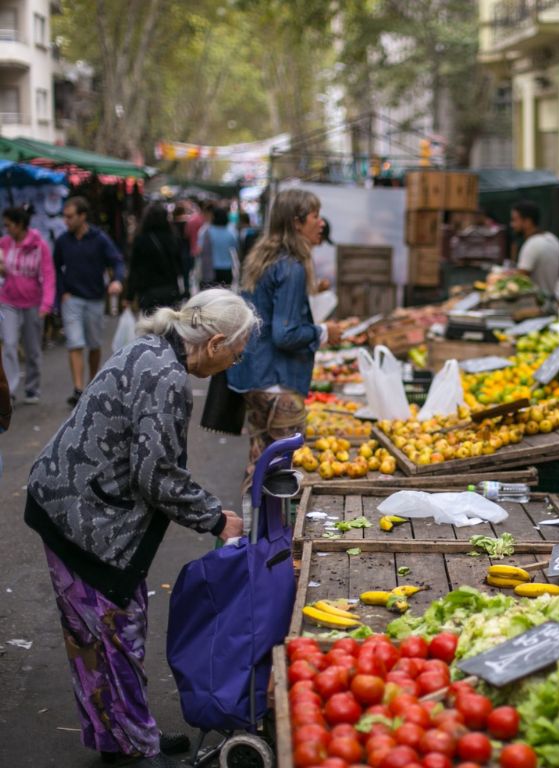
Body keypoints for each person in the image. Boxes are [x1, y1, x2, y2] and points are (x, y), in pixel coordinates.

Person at [24, 289, 253, 768]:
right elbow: (157, 475)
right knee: (111, 632)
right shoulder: (166, 376)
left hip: (81, 502)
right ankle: (131, 746)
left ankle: (128, 734)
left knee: (105, 632)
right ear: (213, 343)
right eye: (236, 350)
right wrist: (215, 517)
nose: (236, 360)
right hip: (80, 515)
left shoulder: (153, 347)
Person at [228, 189, 344, 491]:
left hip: (254, 374)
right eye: (315, 216)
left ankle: (250, 531)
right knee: (275, 472)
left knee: (259, 460)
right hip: (275, 380)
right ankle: (264, 533)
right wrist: (323, 333)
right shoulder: (291, 266)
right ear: (296, 223)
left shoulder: (267, 257)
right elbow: (285, 333)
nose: (321, 223)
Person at [54, 196, 126, 406]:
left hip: (94, 298)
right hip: (72, 299)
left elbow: (116, 260)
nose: (66, 221)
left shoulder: (99, 238)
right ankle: (78, 389)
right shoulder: (62, 241)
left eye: (70, 217)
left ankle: (92, 383)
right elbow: (55, 267)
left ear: (82, 216)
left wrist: (117, 281)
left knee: (94, 344)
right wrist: (62, 292)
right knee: (75, 342)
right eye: (64, 217)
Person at [0, 204, 55, 404]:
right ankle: (9, 390)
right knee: (9, 344)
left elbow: (48, 275)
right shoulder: (5, 244)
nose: (6, 229)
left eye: (8, 225)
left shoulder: (39, 245)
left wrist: (46, 305)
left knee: (32, 349)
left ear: (19, 224)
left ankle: (32, 388)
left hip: (33, 303)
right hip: (8, 302)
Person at [124, 203, 187, 314]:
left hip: (147, 292)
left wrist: (129, 296)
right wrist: (184, 290)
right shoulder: (173, 238)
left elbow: (134, 269)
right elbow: (181, 267)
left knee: (150, 327)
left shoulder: (141, 240)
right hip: (170, 290)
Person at [510, 200, 559, 299]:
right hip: (551, 297)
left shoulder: (532, 244)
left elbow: (520, 278)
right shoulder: (552, 239)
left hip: (536, 302)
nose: (512, 225)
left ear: (527, 222)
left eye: (515, 220)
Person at [199, 206, 237, 288]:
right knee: (224, 295)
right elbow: (235, 247)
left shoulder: (206, 231)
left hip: (211, 269)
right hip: (227, 269)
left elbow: (200, 249)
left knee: (212, 297)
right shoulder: (230, 232)